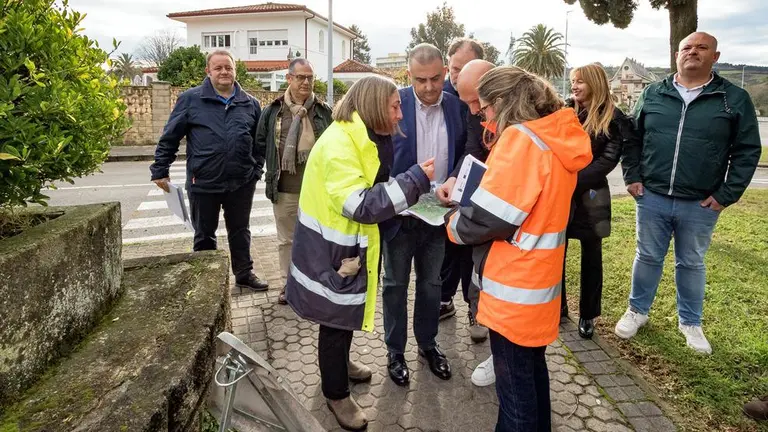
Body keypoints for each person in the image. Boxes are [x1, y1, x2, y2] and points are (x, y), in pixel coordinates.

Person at [445, 66, 592, 431]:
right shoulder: (553, 136)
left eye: (484, 108)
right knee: (531, 377)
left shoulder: (520, 140)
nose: (483, 117)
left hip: (512, 289)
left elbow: (488, 219)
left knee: (515, 398)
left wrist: (451, 224)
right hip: (537, 286)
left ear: (501, 101)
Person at [284, 75, 434, 431]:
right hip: (332, 251)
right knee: (334, 321)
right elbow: (361, 205)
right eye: (395, 107)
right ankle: (335, 393)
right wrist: (414, 181)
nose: (400, 115)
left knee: (344, 314)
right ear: (374, 105)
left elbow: (374, 186)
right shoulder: (340, 144)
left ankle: (339, 365)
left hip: (346, 247)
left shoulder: (364, 134)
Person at [617, 32, 761, 354]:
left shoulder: (733, 98)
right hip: (652, 197)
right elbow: (633, 138)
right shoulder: (654, 93)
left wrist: (726, 194)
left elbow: (747, 151)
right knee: (647, 256)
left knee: (691, 263)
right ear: (677, 55)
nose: (692, 52)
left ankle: (690, 322)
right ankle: (637, 311)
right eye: (686, 47)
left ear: (715, 56)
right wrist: (632, 176)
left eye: (701, 47)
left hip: (700, 203)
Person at [150, 50, 268, 291]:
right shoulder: (190, 99)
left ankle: (244, 274)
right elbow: (170, 137)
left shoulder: (250, 103)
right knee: (204, 235)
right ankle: (206, 281)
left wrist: (255, 171)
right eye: (218, 68)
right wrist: (160, 169)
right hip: (203, 182)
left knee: (240, 231)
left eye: (228, 67)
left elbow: (260, 143)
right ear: (208, 71)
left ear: (235, 70)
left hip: (241, 182)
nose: (224, 72)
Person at [382, 43, 466, 387]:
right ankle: (394, 350)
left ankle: (428, 344)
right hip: (400, 215)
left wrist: (454, 178)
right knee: (395, 285)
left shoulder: (458, 107)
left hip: (438, 215)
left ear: (445, 73)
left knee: (432, 285)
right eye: (420, 80)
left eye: (434, 78)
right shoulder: (393, 104)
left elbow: (467, 151)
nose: (429, 87)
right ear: (408, 76)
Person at [437, 59, 498, 387]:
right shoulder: (481, 111)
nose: (474, 112)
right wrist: (454, 178)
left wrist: (461, 225)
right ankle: (499, 351)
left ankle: (501, 350)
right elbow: (473, 149)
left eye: (477, 103)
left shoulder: (525, 125)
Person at [562, 63, 631, 339]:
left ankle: (588, 314)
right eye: (573, 81)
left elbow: (608, 159)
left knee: (592, 256)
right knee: (556, 251)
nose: (574, 86)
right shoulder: (565, 109)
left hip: (592, 195)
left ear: (595, 83)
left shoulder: (613, 117)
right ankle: (557, 306)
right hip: (562, 193)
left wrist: (572, 180)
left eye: (580, 81)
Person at [255, 59, 333, 304]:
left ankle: (314, 283)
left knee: (316, 239)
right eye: (300, 77)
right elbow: (260, 143)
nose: (306, 82)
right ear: (289, 79)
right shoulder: (273, 111)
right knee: (287, 241)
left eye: (310, 77)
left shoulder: (324, 111)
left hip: (317, 190)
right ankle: (289, 285)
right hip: (284, 189)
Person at [438, 39, 485, 324]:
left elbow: (474, 147)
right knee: (447, 249)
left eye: (466, 68)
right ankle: (444, 300)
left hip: (476, 183)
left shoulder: (491, 100)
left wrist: (459, 176)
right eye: (455, 69)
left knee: (471, 250)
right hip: (447, 185)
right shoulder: (439, 94)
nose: (458, 75)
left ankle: (475, 308)